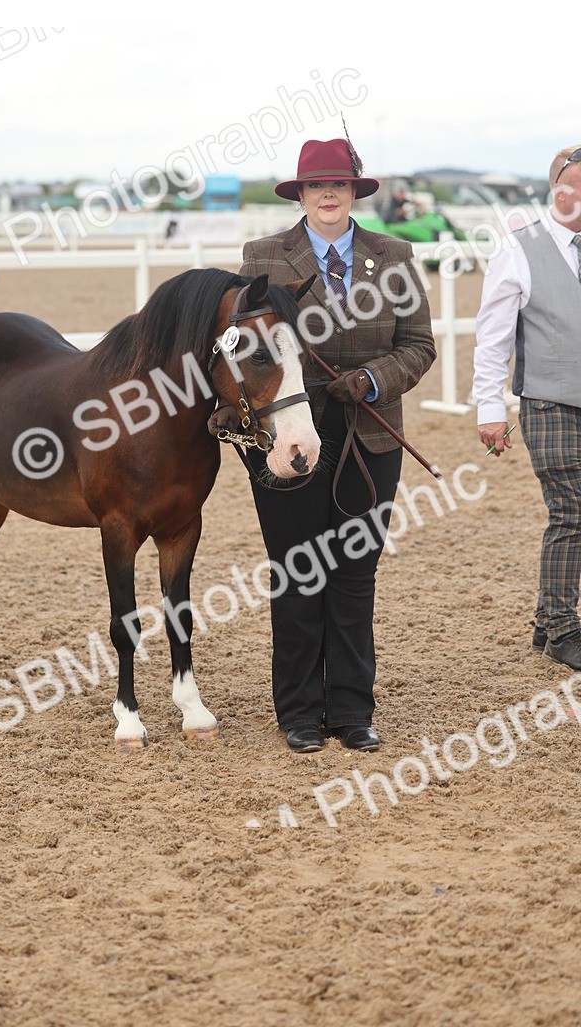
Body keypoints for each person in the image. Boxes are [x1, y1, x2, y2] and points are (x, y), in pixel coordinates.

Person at [238, 138, 436, 753]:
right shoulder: (263, 257)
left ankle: (351, 710)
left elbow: (419, 344)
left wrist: (373, 379)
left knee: (353, 575)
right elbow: (245, 348)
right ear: (300, 194)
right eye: (316, 185)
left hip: (370, 436)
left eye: (339, 185)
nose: (328, 194)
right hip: (288, 439)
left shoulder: (394, 256)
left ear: (354, 192)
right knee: (297, 573)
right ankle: (299, 712)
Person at [473, 144, 581, 670]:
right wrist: (488, 408)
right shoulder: (519, 249)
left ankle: (546, 620)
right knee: (573, 511)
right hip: (548, 403)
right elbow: (493, 337)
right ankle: (563, 628)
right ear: (559, 189)